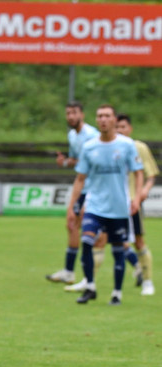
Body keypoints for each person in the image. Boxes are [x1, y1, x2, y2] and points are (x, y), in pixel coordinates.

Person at [67, 105, 143, 305]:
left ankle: (117, 293)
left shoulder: (126, 145)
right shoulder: (89, 147)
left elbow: (138, 171)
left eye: (107, 116)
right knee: (87, 241)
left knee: (118, 250)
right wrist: (73, 205)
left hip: (118, 208)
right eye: (99, 116)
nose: (102, 119)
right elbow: (81, 178)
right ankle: (90, 286)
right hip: (95, 206)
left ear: (114, 120)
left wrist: (136, 199)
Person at [46, 101, 100, 285]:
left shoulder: (92, 135)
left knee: (92, 230)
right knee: (72, 225)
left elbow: (97, 160)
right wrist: (65, 162)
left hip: (95, 188)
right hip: (83, 186)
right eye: (68, 113)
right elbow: (78, 161)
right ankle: (70, 272)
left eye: (74, 113)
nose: (70, 116)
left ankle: (87, 275)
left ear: (82, 115)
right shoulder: (72, 135)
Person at [116, 113, 156, 296]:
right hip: (113, 202)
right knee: (115, 240)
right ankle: (138, 266)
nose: (120, 130)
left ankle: (148, 282)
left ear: (130, 128)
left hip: (132, 200)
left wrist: (144, 190)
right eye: (117, 127)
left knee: (138, 241)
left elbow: (151, 173)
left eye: (123, 127)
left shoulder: (138, 147)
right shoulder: (110, 148)